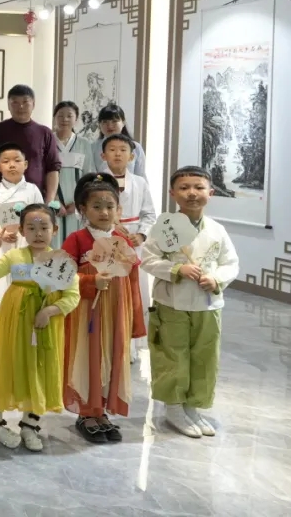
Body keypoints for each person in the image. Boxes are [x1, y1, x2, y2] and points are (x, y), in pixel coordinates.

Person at [142, 166, 239, 438]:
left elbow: (231, 263)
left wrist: (216, 279)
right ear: (172, 193)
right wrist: (176, 269)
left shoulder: (217, 230)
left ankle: (192, 406)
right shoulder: (164, 228)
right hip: (171, 304)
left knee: (204, 357)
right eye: (184, 188)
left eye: (198, 187)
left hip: (207, 305)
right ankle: (173, 407)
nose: (192, 193)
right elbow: (148, 259)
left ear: (211, 192)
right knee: (172, 355)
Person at [0, 204, 79, 452]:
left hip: (46, 326)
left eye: (44, 227)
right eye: (31, 228)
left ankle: (29, 425)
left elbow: (72, 296)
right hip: (14, 323)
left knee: (40, 369)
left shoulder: (61, 261)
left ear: (55, 230)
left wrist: (49, 311)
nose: (38, 233)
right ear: (22, 231)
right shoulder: (14, 256)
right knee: (7, 365)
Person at [61, 173, 145, 444]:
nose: (104, 212)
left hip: (117, 311)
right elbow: (62, 275)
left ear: (118, 209)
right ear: (83, 209)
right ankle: (87, 412)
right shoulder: (76, 239)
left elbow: (133, 280)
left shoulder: (123, 240)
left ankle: (102, 411)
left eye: (110, 206)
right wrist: (89, 281)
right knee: (89, 357)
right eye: (96, 206)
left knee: (112, 356)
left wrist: (135, 320)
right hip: (87, 312)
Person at [102, 134, 157, 359]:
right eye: (112, 149)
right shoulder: (95, 181)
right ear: (103, 155)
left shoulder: (140, 183)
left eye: (123, 150)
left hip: (133, 241)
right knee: (109, 290)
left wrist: (141, 234)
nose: (117, 154)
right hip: (105, 239)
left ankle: (131, 345)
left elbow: (150, 214)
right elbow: (82, 211)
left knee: (134, 292)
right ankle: (106, 342)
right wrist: (109, 225)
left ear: (132, 156)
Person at [0, 143, 44, 322]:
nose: (12, 165)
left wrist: (26, 231)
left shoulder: (32, 190)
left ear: (26, 164)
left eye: (17, 160)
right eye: (6, 161)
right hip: (0, 245)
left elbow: (41, 216)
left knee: (24, 286)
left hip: (24, 244)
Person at [0, 85, 60, 203]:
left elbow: (52, 168)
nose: (21, 107)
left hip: (35, 198)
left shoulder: (44, 133)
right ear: (8, 105)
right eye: (15, 102)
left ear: (33, 104)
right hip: (3, 198)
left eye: (25, 102)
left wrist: (49, 201)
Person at [50, 101, 93, 247]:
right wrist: (54, 201)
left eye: (69, 116)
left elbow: (90, 176)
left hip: (77, 205)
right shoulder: (47, 141)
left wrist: (79, 202)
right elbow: (43, 174)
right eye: (60, 115)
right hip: (53, 203)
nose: (65, 119)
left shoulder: (84, 144)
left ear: (76, 119)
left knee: (77, 244)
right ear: (54, 118)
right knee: (53, 243)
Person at [91, 103, 147, 177]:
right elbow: (91, 175)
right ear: (99, 125)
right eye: (105, 122)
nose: (109, 125)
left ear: (123, 122)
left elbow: (140, 176)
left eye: (114, 121)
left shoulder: (136, 147)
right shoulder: (93, 147)